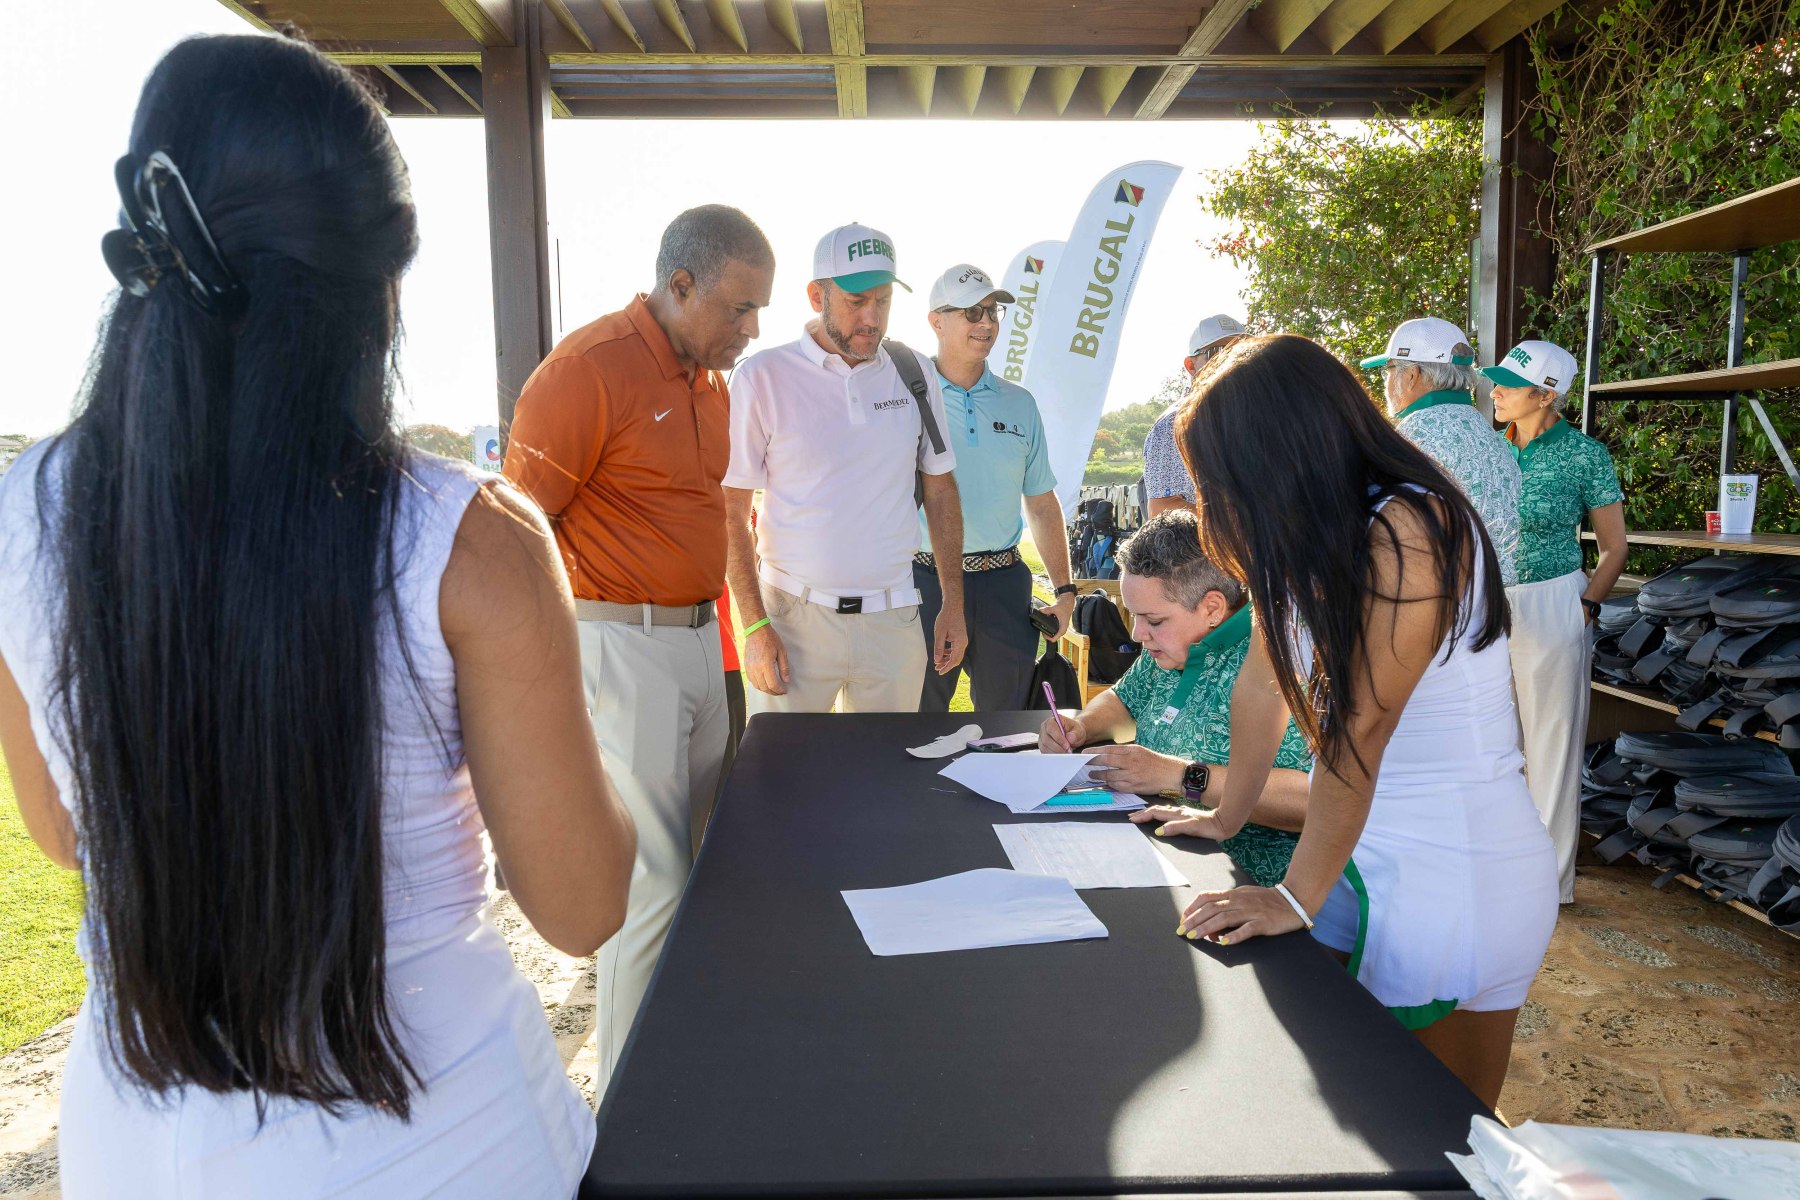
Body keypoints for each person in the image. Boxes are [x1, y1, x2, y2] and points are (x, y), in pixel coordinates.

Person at [0, 35, 635, 1197]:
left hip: (131, 1147)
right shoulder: (468, 540)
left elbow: (60, 830)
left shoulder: (21, 513)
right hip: (448, 1148)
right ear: (380, 283)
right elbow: (584, 905)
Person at [1169, 334, 1557, 1109]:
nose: (1216, 499)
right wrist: (1226, 818)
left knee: (1437, 1137)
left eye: (1221, 476)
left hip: (1452, 877)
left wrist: (1294, 896)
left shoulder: (1410, 527)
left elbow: (1359, 728)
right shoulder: (1309, 537)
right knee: (1340, 1115)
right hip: (1355, 862)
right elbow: (1261, 689)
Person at [504, 203, 773, 1083]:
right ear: (680, 285)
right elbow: (517, 533)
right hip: (618, 648)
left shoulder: (712, 384)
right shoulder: (587, 369)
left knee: (701, 873)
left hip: (699, 645)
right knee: (651, 885)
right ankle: (625, 1111)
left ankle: (680, 1073)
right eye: (739, 308)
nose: (751, 329)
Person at [724, 224, 968, 714]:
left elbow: (941, 491)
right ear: (817, 296)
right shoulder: (760, 376)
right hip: (793, 619)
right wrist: (755, 625)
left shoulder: (916, 372)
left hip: (894, 617)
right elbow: (728, 513)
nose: (872, 318)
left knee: (886, 764)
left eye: (883, 301)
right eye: (857, 301)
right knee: (787, 764)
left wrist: (953, 604)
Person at [1037, 512, 1311, 886]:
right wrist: (1082, 727)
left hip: (1246, 883)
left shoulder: (1276, 659)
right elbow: (1123, 699)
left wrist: (1177, 776)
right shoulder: (1173, 646)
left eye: (1154, 620)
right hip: (1163, 857)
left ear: (1212, 608)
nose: (1137, 634)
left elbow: (1310, 801)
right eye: (1134, 616)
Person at [1484, 339, 1627, 905]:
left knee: (1551, 746)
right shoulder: (1489, 449)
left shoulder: (1585, 454)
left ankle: (1546, 886)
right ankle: (1500, 870)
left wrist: (1585, 606)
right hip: (1490, 607)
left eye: (1508, 383)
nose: (1495, 390)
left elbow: (1615, 549)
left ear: (1546, 395)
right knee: (1494, 743)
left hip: (1553, 603)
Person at [916, 263, 1077, 711]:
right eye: (972, 312)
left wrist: (1065, 592)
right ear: (936, 321)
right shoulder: (907, 397)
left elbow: (1041, 503)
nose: (986, 322)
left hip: (1004, 587)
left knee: (1007, 730)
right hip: (924, 584)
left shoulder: (1020, 403)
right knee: (916, 725)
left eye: (992, 311)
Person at [1361, 317, 1522, 585]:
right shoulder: (1487, 433)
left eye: (1388, 370)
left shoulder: (1410, 437)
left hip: (1443, 599)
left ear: (1412, 375)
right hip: (1496, 598)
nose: (1385, 382)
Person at [1141, 314, 1247, 516]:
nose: (1232, 361)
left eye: (1242, 351)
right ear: (1191, 366)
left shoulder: (1250, 416)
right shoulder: (1172, 425)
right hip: (1200, 539)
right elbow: (1161, 508)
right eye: (1219, 352)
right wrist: (1237, 523)